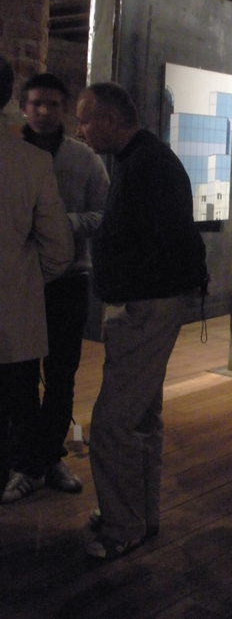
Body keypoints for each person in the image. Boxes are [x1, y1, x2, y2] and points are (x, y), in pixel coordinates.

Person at [75, 82, 207, 560]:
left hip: (146, 307)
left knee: (112, 423)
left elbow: (160, 245)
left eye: (86, 119)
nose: (81, 130)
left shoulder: (146, 165)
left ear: (111, 120)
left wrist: (124, 294)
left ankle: (123, 525)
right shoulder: (146, 160)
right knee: (143, 418)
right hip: (150, 304)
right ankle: (140, 514)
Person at [3, 73, 110, 502]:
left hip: (69, 279)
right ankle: (32, 460)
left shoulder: (84, 159)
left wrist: (61, 224)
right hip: (21, 282)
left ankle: (45, 458)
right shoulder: (12, 153)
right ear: (23, 106)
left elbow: (104, 213)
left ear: (64, 109)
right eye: (36, 103)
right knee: (21, 376)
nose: (44, 112)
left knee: (62, 375)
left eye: (52, 104)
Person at [0, 55, 74, 502]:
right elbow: (59, 248)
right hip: (13, 310)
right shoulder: (29, 162)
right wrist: (24, 277)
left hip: (25, 304)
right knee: (18, 399)